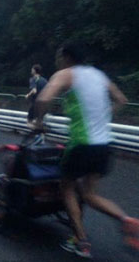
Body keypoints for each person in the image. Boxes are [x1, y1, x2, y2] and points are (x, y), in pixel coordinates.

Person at [35, 46, 139, 257]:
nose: (57, 62)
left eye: (58, 57)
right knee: (90, 194)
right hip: (104, 145)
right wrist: (104, 116)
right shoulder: (99, 75)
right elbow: (122, 100)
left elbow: (43, 99)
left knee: (67, 188)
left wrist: (38, 122)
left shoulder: (66, 74)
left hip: (81, 144)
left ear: (66, 58)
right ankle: (127, 220)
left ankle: (81, 241)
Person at [26, 64, 48, 129]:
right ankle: (40, 133)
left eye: (32, 69)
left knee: (29, 122)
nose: (31, 70)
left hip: (35, 104)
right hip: (44, 104)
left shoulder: (33, 79)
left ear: (34, 70)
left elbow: (34, 91)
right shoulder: (44, 80)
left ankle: (37, 131)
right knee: (39, 121)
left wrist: (28, 95)